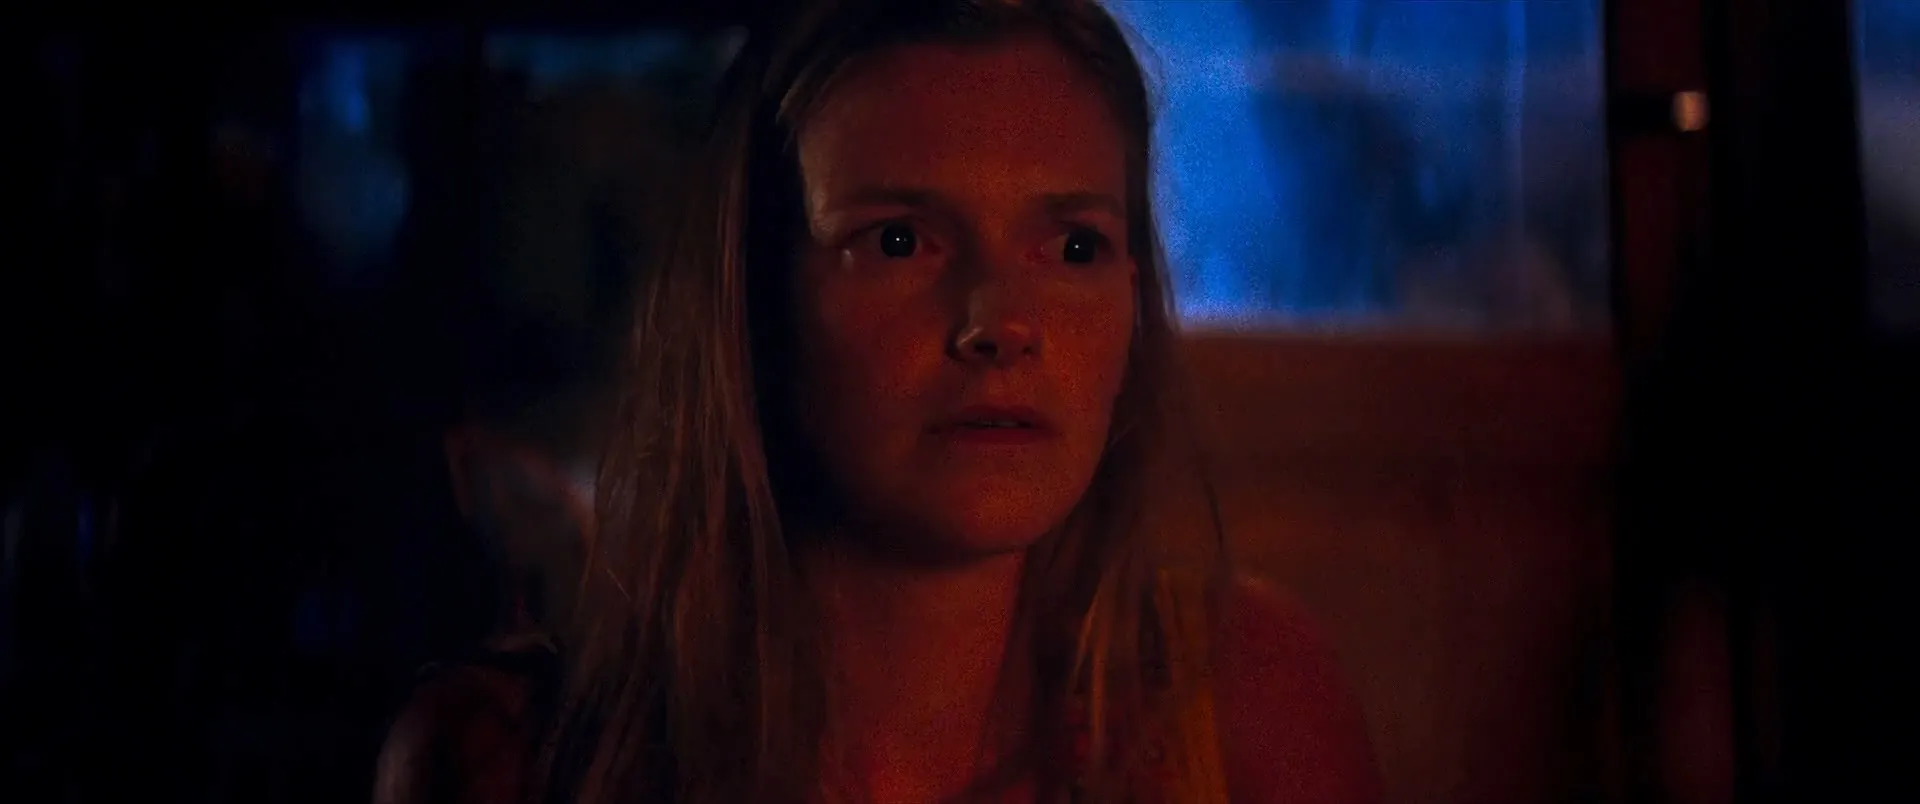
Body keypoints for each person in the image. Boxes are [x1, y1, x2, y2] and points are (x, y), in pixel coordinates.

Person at [375, 1, 1381, 802]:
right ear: (754, 294)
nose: (1000, 323)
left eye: (1074, 246)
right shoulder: (511, 762)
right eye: (899, 241)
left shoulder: (1244, 705)